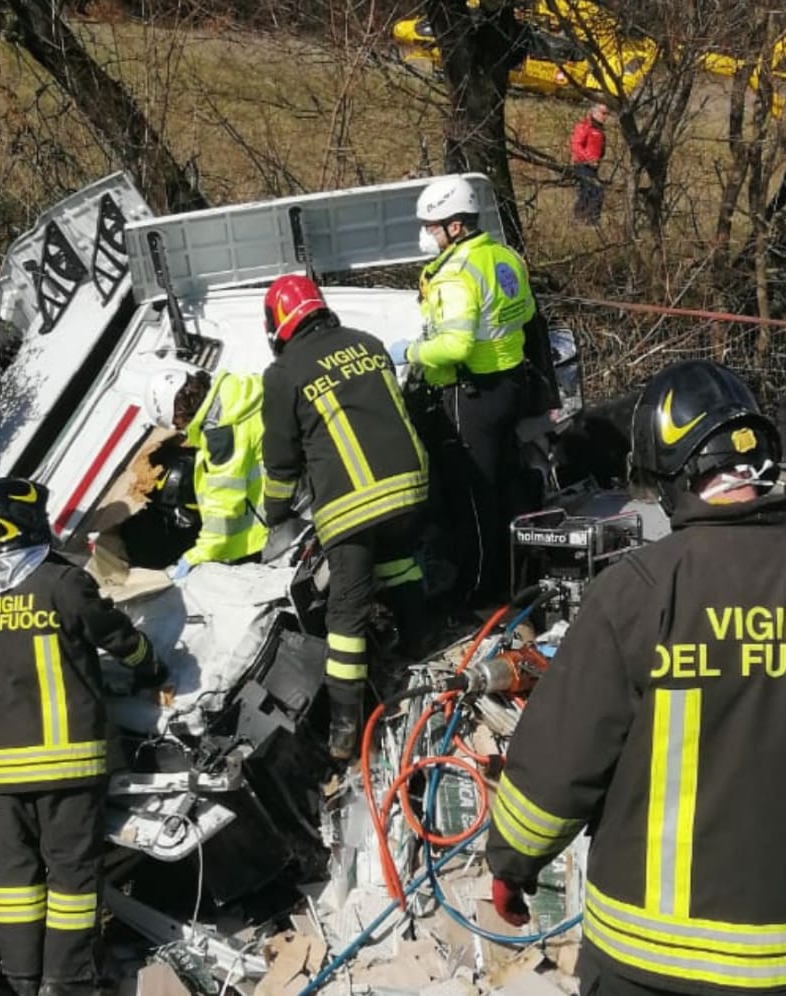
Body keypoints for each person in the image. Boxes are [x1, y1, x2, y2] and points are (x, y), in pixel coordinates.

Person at [484, 359, 786, 996]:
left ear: (674, 478)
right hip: (782, 961)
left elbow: (561, 755)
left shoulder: (640, 590)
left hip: (640, 953)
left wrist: (512, 862)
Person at [0, 477, 168, 996]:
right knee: (72, 875)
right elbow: (117, 637)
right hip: (67, 764)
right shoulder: (61, 582)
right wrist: (151, 666)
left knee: (15, 874)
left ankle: (20, 976)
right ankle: (68, 981)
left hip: (5, 767)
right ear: (27, 522)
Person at [261, 272, 434, 761]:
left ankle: (343, 727)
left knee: (345, 613)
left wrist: (276, 514)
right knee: (399, 560)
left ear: (277, 323)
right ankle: (423, 640)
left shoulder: (283, 374)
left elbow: (281, 460)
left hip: (354, 506)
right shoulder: (369, 343)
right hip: (413, 487)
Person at [385, 175, 537, 608]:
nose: (426, 235)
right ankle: (519, 573)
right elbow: (524, 310)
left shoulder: (454, 275)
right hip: (511, 384)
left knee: (475, 500)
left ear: (455, 227)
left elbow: (453, 346)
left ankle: (479, 591)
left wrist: (409, 351)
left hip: (471, 395)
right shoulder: (503, 256)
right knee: (507, 488)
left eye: (432, 226)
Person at [142, 359, 270, 579]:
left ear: (179, 416)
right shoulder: (243, 388)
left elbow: (224, 505)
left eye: (178, 425)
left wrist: (196, 556)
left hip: (280, 522)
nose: (181, 431)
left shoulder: (220, 436)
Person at [570, 102, 610, 224]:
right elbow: (576, 145)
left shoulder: (600, 130)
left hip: (593, 166)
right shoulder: (584, 126)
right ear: (594, 112)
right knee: (595, 189)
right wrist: (588, 159)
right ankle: (591, 221)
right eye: (603, 113)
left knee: (587, 191)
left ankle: (581, 219)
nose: (605, 116)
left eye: (607, 114)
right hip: (582, 165)